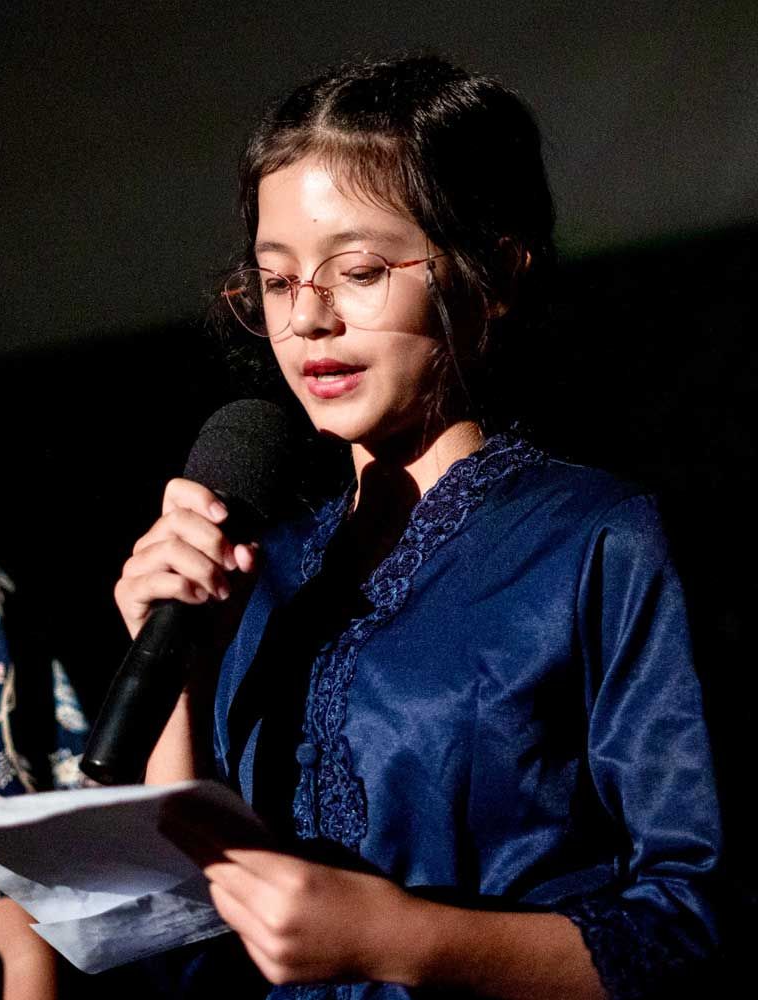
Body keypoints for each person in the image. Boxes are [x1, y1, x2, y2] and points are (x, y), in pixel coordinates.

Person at [114, 56, 722, 999]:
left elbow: (695, 926)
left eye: (357, 270)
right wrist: (180, 672)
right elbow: (189, 946)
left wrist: (404, 939)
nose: (308, 319)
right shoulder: (259, 570)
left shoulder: (596, 540)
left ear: (495, 274)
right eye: (276, 283)